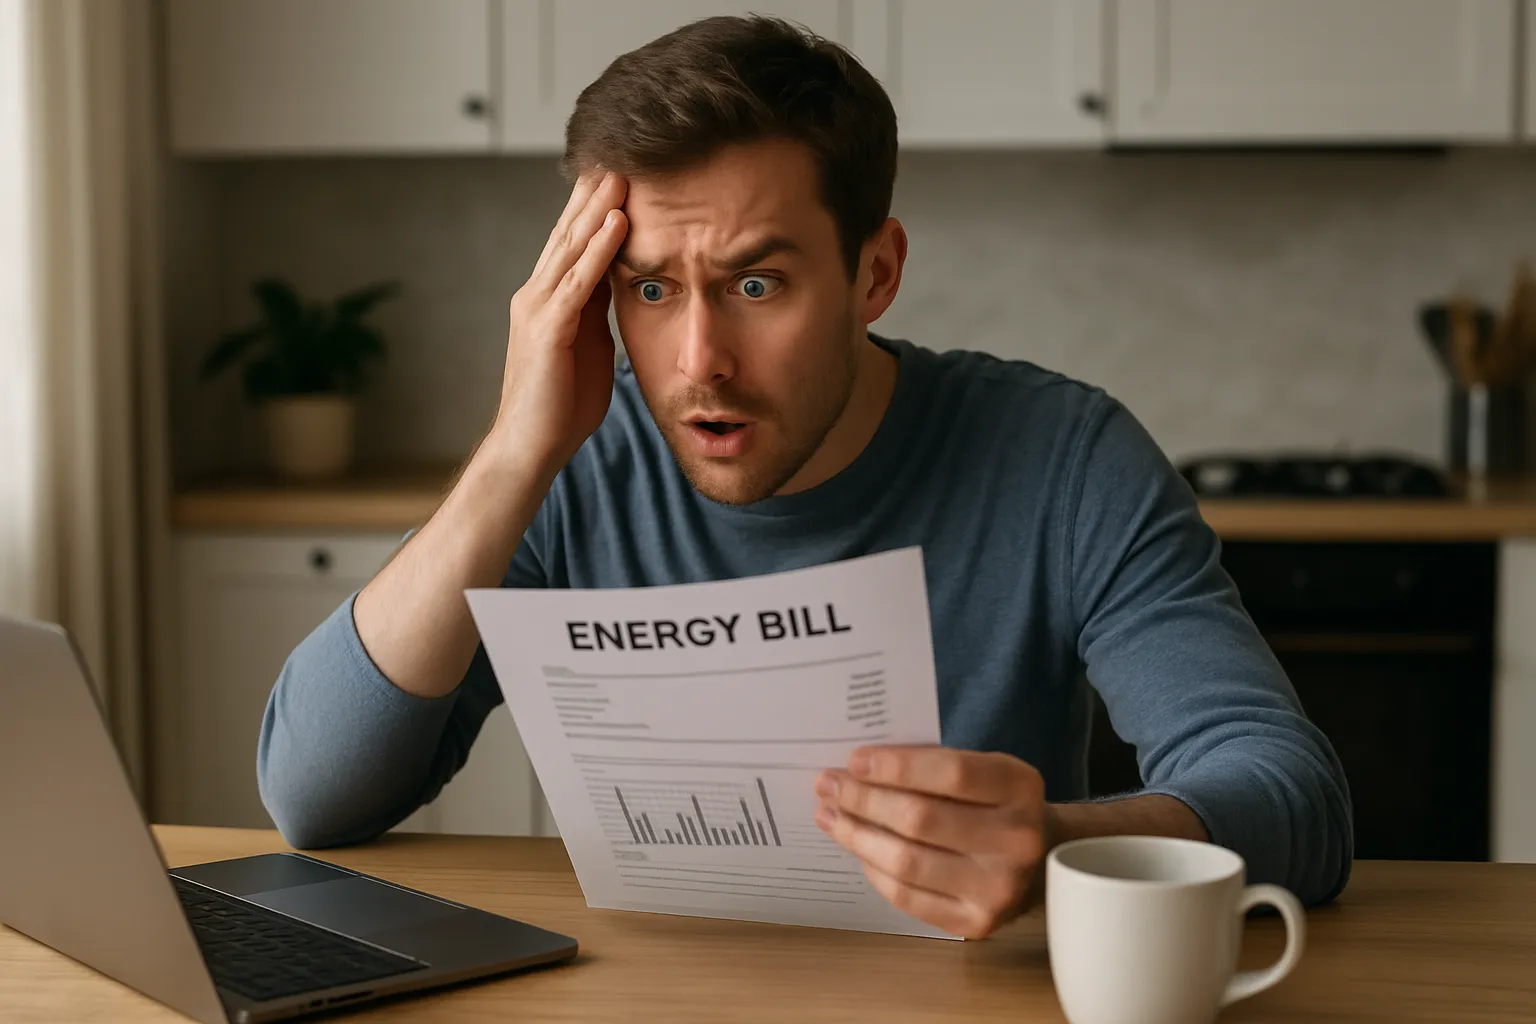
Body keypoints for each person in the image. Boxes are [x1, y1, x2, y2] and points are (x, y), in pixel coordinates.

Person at [257, 15, 1352, 940]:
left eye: (757, 282)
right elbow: (312, 795)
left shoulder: (1063, 456)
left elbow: (1295, 796)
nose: (698, 364)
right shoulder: (569, 464)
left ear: (874, 273)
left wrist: (1063, 845)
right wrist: (511, 454)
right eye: (647, 291)